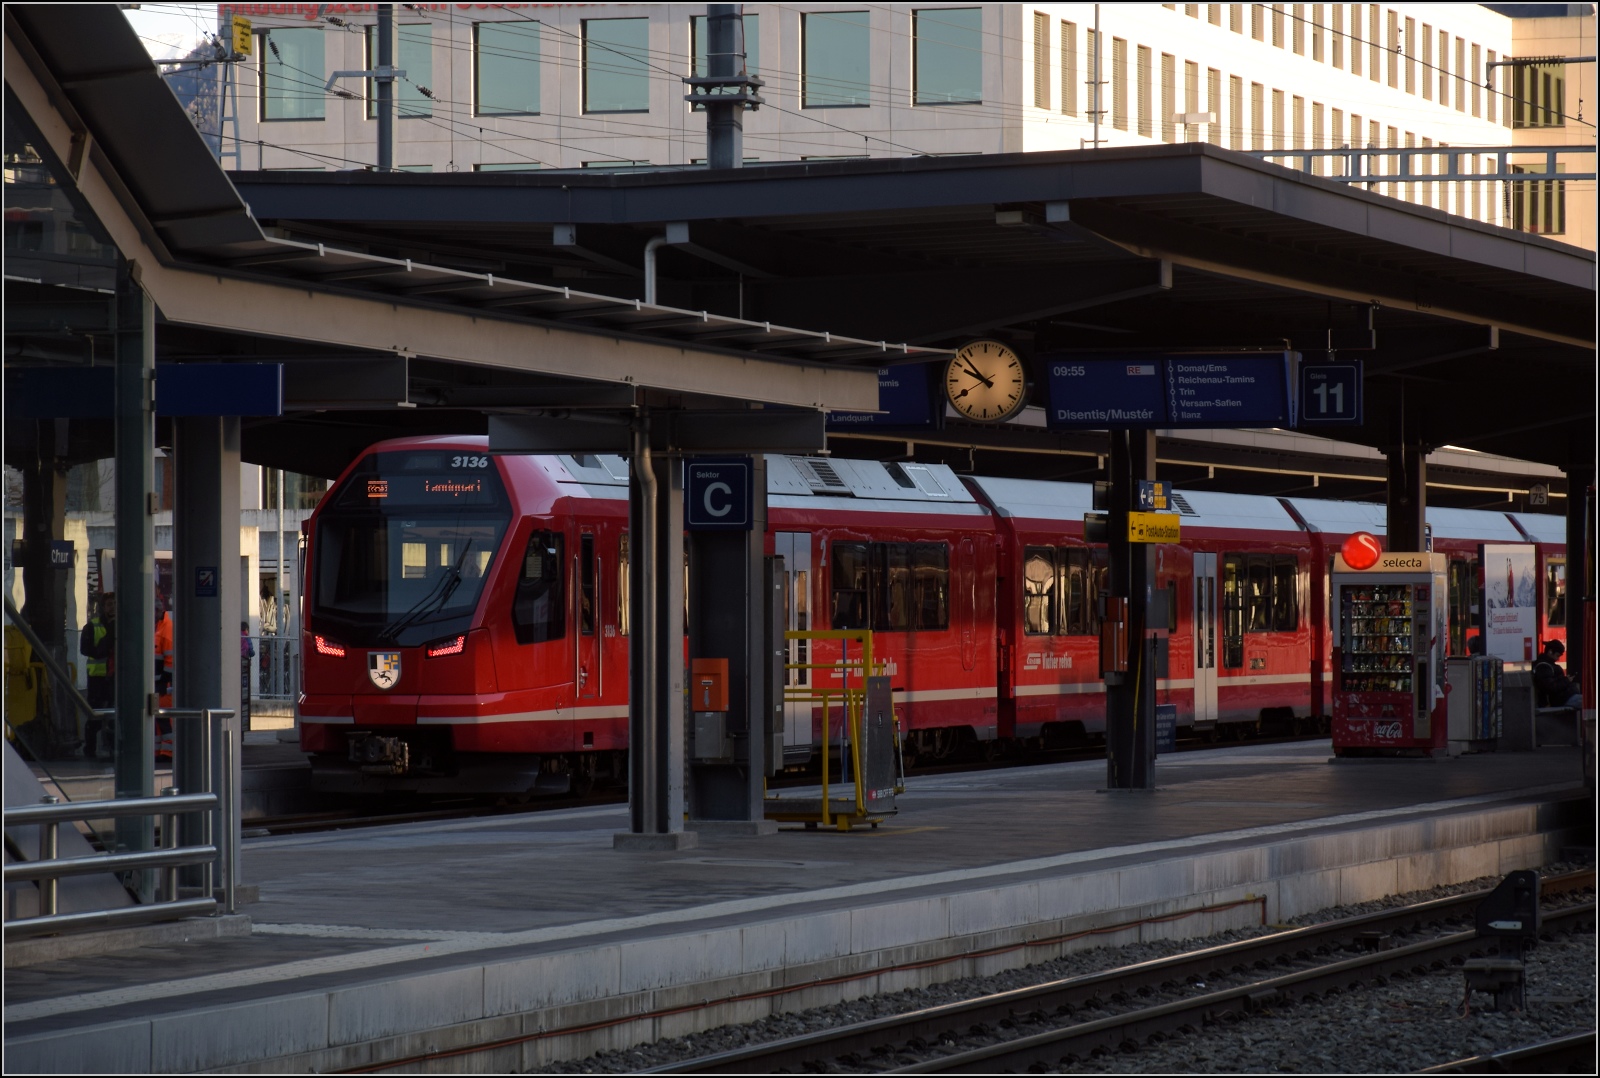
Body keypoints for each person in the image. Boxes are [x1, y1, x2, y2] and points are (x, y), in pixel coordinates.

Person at [78, 593, 114, 759]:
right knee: (95, 715)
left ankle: (114, 748)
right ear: (102, 607)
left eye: (114, 604)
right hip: (97, 678)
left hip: (115, 678)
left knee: (115, 714)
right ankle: (90, 750)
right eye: (108, 604)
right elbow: (86, 649)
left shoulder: (122, 625)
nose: (112, 607)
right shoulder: (92, 626)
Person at [1532, 640, 1580, 709]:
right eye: (1557, 655)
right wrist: (1566, 680)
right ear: (1550, 652)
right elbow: (1550, 687)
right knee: (1590, 702)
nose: (1558, 659)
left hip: (1564, 698)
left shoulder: (1548, 666)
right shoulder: (1543, 667)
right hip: (1559, 700)